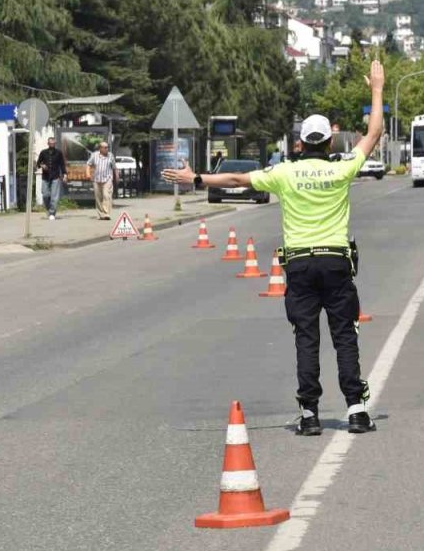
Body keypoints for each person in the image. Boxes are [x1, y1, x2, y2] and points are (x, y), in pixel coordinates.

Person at [163, 59, 385, 436]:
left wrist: (196, 177)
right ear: (329, 142)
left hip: (299, 266)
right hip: (336, 263)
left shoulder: (284, 173)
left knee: (307, 338)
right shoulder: (340, 169)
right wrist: (377, 89)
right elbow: (374, 132)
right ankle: (356, 410)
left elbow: (236, 177)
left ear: (300, 144)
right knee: (344, 334)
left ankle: (310, 414)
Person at [37, 137, 67, 220]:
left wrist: (64, 174)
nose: (52, 145)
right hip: (45, 176)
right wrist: (42, 165)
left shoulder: (59, 153)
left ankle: (52, 213)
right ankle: (48, 209)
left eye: (53, 143)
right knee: (45, 194)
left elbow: (62, 164)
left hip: (55, 176)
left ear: (55, 144)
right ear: (48, 144)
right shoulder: (43, 152)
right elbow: (38, 163)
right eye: (50, 143)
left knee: (54, 196)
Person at [87, 141, 117, 220]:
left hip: (107, 178)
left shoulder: (110, 156)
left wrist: (116, 176)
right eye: (105, 147)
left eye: (107, 147)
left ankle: (106, 213)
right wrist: (88, 174)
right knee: (98, 197)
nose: (107, 149)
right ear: (100, 148)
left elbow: (114, 167)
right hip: (97, 179)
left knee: (106, 195)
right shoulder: (94, 155)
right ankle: (101, 214)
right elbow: (88, 164)